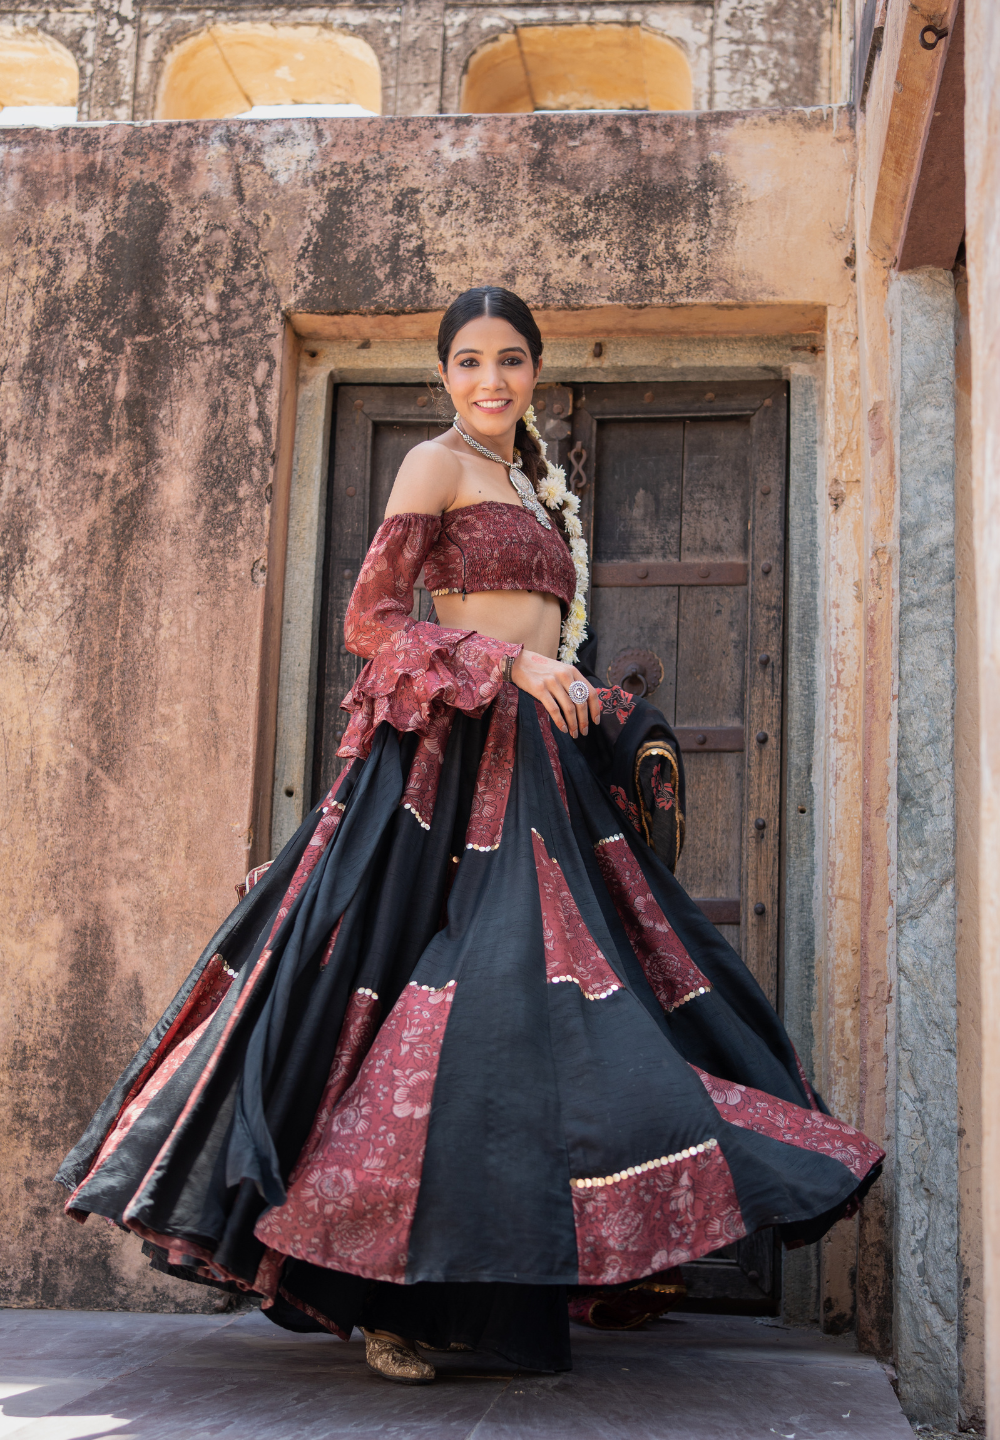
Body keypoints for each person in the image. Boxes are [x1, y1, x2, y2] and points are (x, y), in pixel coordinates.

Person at [57, 286, 883, 1385]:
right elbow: (372, 622)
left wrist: (583, 690)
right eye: (467, 363)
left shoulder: (540, 491)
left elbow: (548, 631)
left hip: (542, 771)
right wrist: (514, 666)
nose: (489, 381)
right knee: (441, 1014)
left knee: (566, 1014)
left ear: (535, 369)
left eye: (508, 361)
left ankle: (532, 1279)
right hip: (445, 779)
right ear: (443, 376)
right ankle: (384, 1298)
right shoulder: (433, 466)